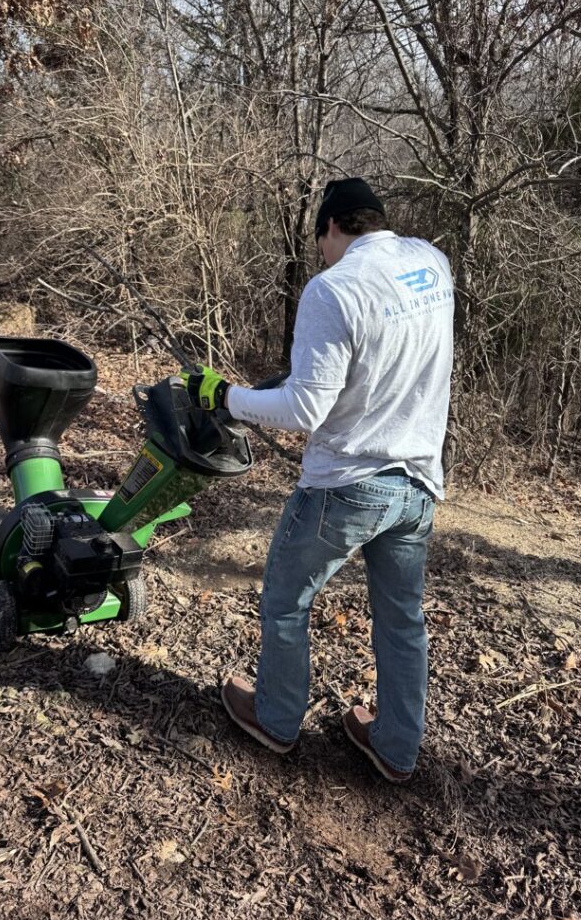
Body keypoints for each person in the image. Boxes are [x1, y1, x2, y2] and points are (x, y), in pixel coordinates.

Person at [182, 178, 454, 783]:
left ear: (332, 227)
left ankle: (276, 720)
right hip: (417, 483)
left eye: (321, 243)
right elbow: (380, 361)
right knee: (402, 619)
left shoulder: (333, 289)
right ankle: (396, 747)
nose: (321, 255)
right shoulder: (431, 264)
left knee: (285, 599)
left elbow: (306, 411)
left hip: (347, 484)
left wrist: (226, 396)